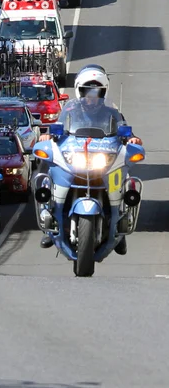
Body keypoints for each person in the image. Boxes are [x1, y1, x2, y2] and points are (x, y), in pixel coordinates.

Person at [38, 64, 142, 254]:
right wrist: (47, 135)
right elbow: (56, 127)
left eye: (96, 91)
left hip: (102, 160)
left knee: (122, 182)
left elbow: (124, 129)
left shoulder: (112, 112)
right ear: (80, 90)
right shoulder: (70, 110)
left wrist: (131, 138)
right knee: (49, 176)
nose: (92, 96)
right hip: (76, 158)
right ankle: (51, 224)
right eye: (88, 90)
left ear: (103, 93)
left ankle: (119, 228)